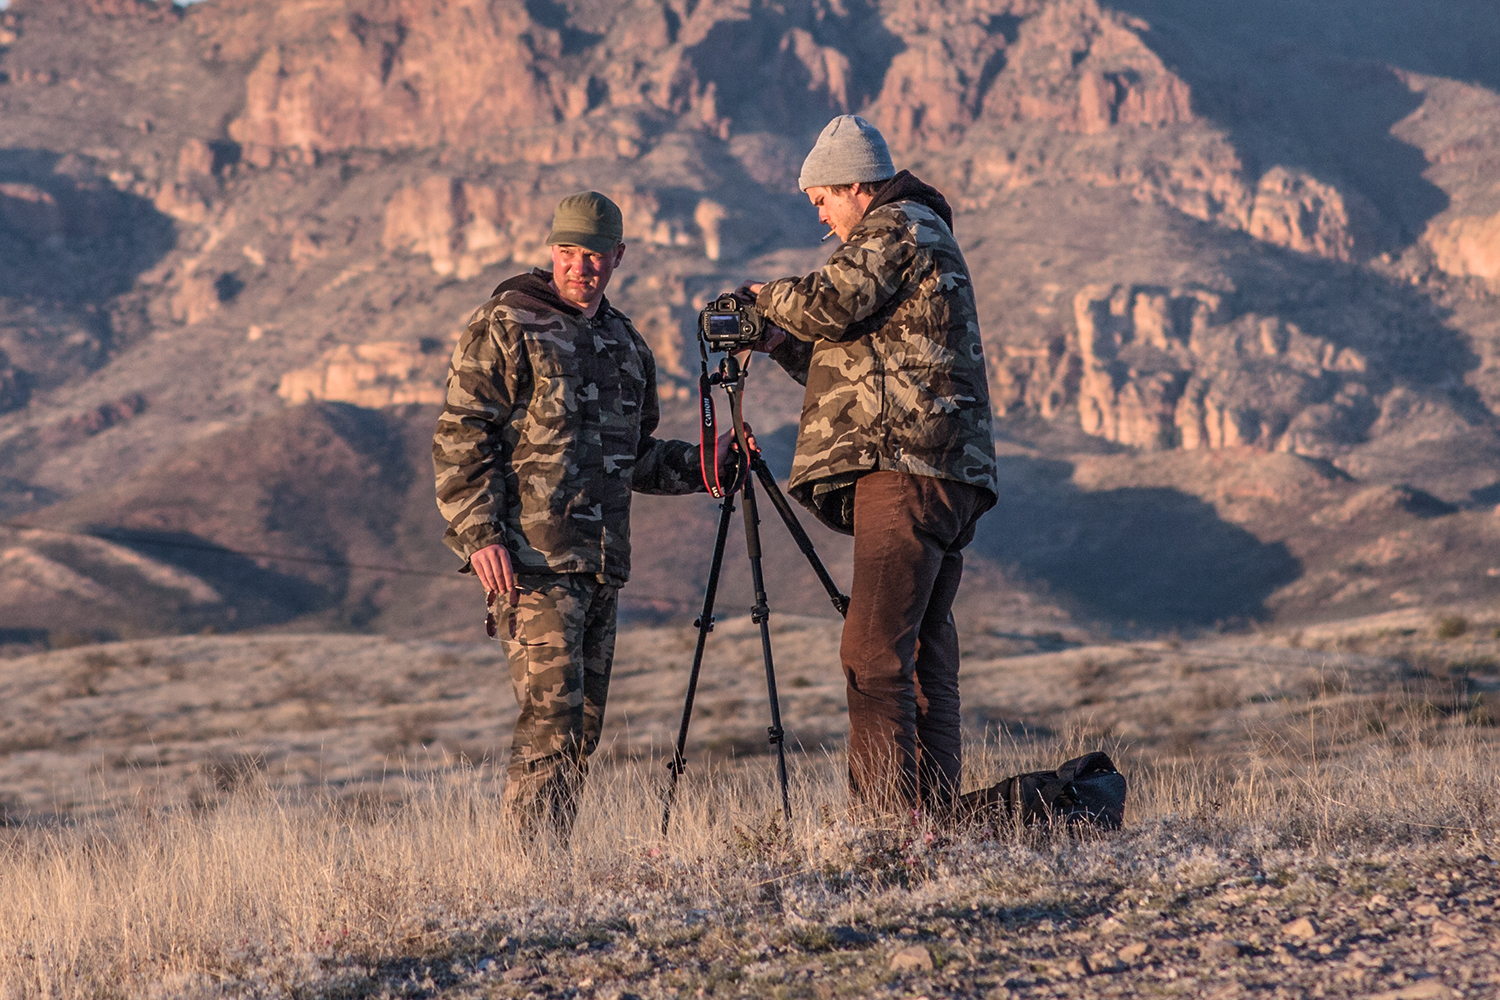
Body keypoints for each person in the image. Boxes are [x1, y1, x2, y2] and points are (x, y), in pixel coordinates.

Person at [433, 191, 745, 838]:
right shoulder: (506, 323)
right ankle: (529, 871)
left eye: (596, 255)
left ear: (618, 257)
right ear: (552, 252)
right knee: (550, 720)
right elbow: (463, 434)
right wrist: (481, 536)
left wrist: (704, 464)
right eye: (570, 253)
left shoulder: (625, 343)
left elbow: (633, 456)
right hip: (530, 562)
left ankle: (549, 863)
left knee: (583, 727)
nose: (582, 267)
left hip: (602, 563)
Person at [746, 115, 998, 819]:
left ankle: (885, 826)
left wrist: (761, 295)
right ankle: (932, 823)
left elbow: (827, 301)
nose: (820, 214)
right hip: (942, 470)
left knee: (871, 652)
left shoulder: (897, 227)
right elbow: (863, 365)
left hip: (906, 470)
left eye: (822, 198)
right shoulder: (915, 237)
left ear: (857, 183)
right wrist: (775, 343)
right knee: (919, 656)